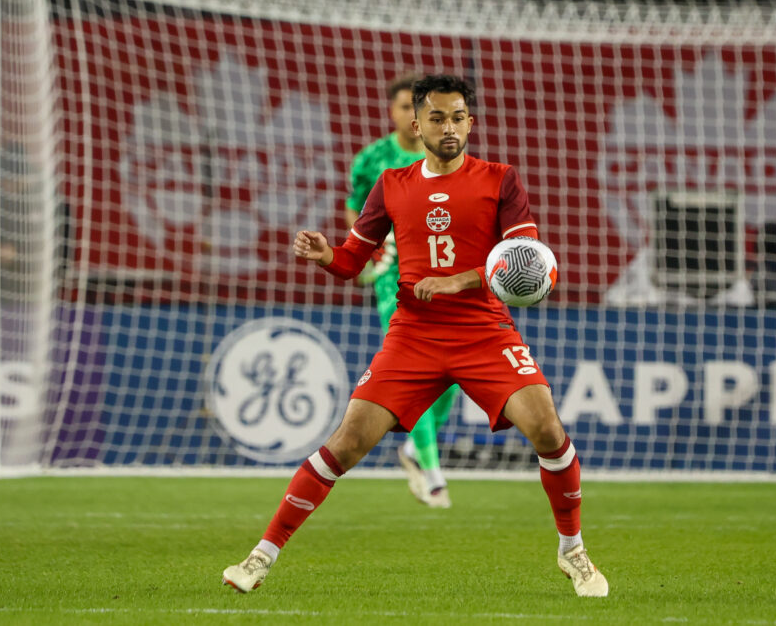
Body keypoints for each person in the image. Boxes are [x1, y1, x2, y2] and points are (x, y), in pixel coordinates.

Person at [223, 74, 608, 598]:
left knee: (547, 429)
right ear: (416, 124)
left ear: (470, 123)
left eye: (458, 118)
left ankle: (573, 551)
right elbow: (354, 260)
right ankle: (259, 557)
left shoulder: (500, 180)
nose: (449, 127)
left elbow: (528, 261)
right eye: (437, 118)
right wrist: (327, 255)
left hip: (484, 332)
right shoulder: (391, 184)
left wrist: (458, 280)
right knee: (346, 443)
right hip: (413, 336)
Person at [344, 74, 459, 509]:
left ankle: (413, 449)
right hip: (394, 279)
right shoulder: (372, 159)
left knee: (452, 374)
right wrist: (363, 250)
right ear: (393, 113)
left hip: (444, 275)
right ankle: (432, 472)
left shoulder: (447, 157)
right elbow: (355, 208)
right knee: (418, 369)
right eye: (405, 107)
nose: (411, 115)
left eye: (419, 108)